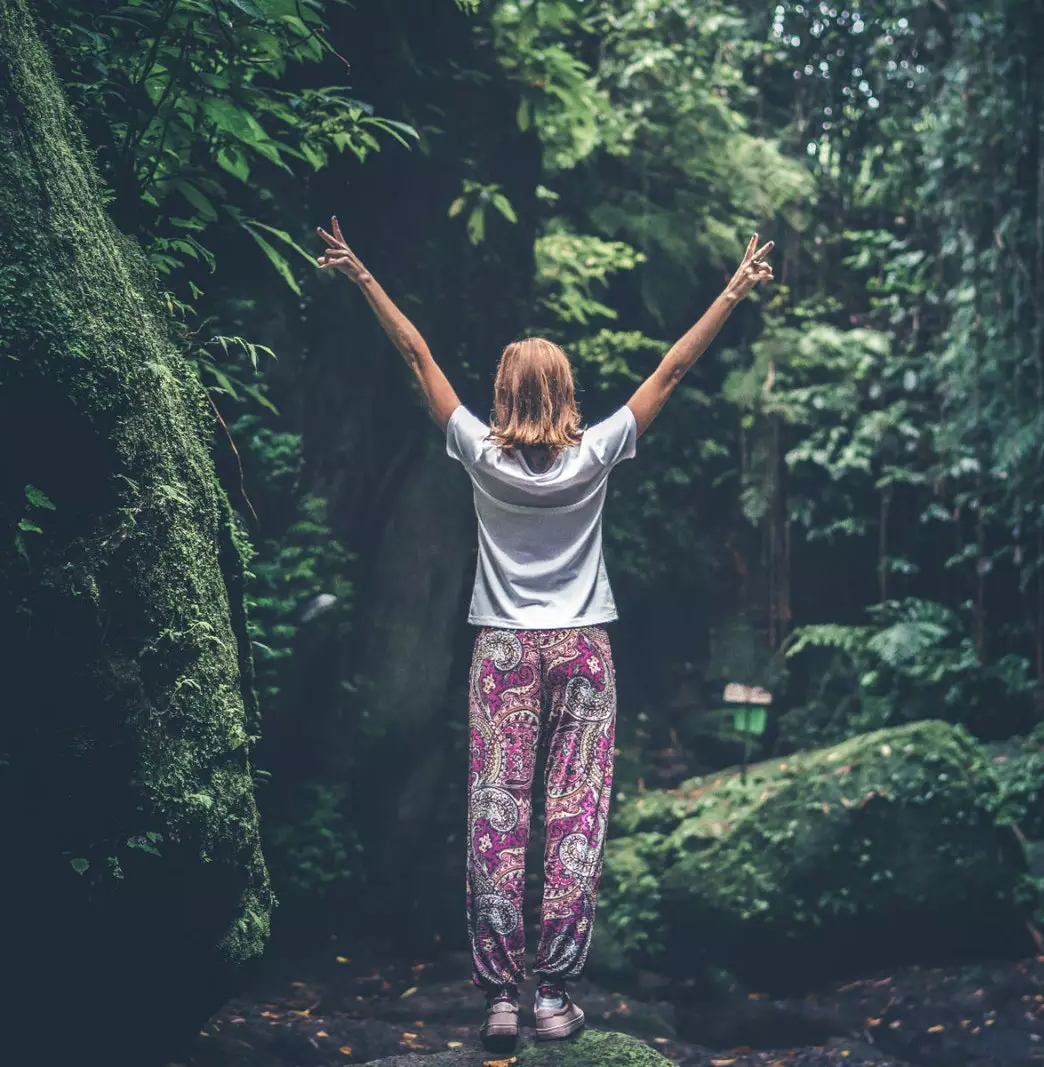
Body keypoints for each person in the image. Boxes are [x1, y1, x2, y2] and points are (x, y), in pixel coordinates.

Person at [315, 217, 774, 1050]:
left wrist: (361, 274)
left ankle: (499, 998)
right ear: (564, 393)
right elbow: (674, 366)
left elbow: (417, 356)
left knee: (497, 814)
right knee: (573, 814)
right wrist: (734, 290)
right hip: (583, 650)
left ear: (502, 393)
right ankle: (554, 995)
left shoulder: (478, 454)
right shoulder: (595, 453)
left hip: (501, 653)